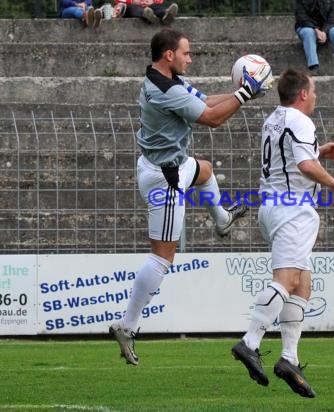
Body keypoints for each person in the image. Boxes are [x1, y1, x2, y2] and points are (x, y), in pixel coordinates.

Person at [109, 28, 272, 366]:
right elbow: (211, 118)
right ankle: (128, 324)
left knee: (206, 170)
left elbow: (207, 102)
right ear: (169, 55)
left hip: (169, 164)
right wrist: (244, 95)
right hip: (165, 180)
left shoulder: (164, 79)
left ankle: (223, 219)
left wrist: (240, 92)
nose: (190, 57)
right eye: (186, 52)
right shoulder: (165, 90)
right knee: (161, 258)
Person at [231, 68, 334, 398]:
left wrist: (319, 151)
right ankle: (250, 342)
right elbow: (304, 167)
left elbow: (291, 157)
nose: (316, 96)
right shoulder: (300, 121)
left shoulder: (274, 119)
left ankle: (289, 359)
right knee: (288, 279)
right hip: (291, 208)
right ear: (303, 94)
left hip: (275, 205)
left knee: (303, 284)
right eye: (315, 91)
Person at [294, 0, 334, 76]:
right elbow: (301, 16)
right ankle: (313, 67)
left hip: (326, 27)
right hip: (306, 26)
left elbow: (333, 17)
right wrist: (315, 29)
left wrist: (324, 31)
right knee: (309, 33)